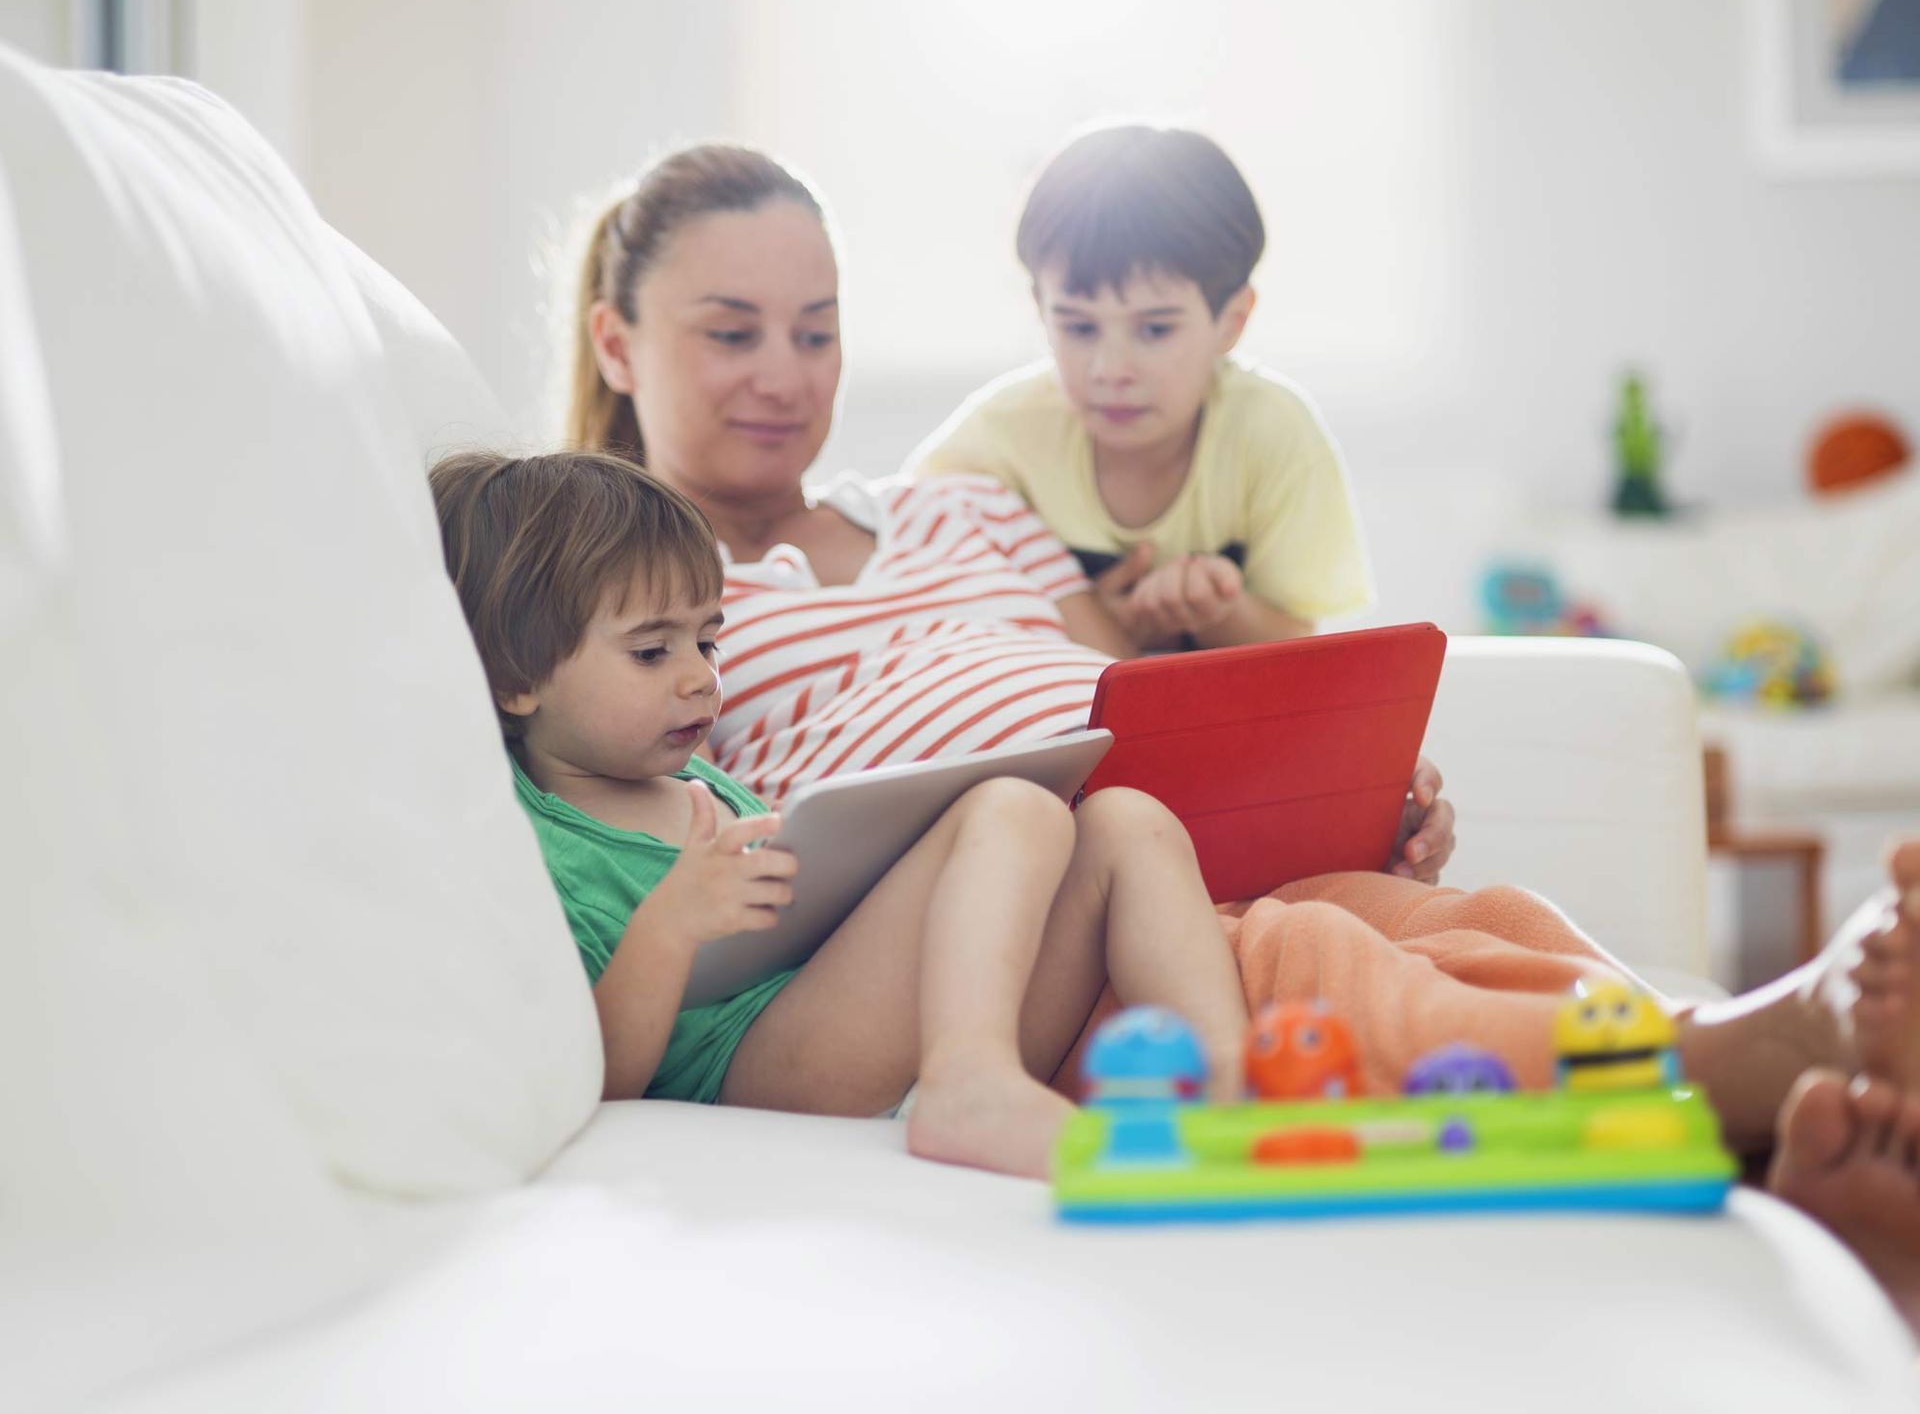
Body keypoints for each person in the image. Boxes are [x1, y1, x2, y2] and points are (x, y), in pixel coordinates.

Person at [558, 141, 1919, 1155]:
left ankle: (1784, 1099)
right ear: (618, 343)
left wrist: (1333, 779)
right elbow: (621, 810)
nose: (786, 376)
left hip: (1174, 831)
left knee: (1470, 921)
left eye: (819, 329)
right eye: (731, 334)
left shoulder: (960, 501)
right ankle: (1765, 1054)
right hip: (1029, 924)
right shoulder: (631, 618)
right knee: (1314, 969)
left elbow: (1147, 698)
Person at [429, 449, 1252, 1179]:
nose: (698, 679)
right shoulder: (536, 842)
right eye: (652, 652)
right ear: (513, 681)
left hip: (864, 1037)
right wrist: (668, 928)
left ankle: (1227, 1088)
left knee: (1122, 819)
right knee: (1011, 808)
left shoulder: (704, 792)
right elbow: (596, 1076)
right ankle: (971, 1086)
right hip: (761, 1074)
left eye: (706, 644)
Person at [910, 123, 1370, 652]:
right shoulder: (995, 442)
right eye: (1080, 328)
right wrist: (1085, 620)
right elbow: (929, 606)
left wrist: (1216, 611)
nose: (1110, 370)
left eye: (1155, 330)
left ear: (1232, 320)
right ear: (1041, 309)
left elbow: (1298, 648)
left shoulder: (1272, 434)